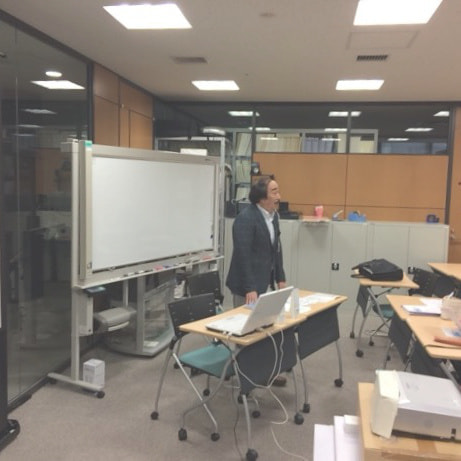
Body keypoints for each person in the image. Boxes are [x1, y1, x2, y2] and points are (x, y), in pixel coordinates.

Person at [226, 175, 287, 385]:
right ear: (262, 197)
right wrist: (249, 288)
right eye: (274, 192)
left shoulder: (273, 216)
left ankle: (263, 372)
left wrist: (280, 277)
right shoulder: (246, 219)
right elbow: (242, 255)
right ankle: (245, 379)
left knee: (264, 329)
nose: (279, 196)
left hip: (263, 282)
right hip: (246, 286)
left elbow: (276, 250)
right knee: (245, 332)